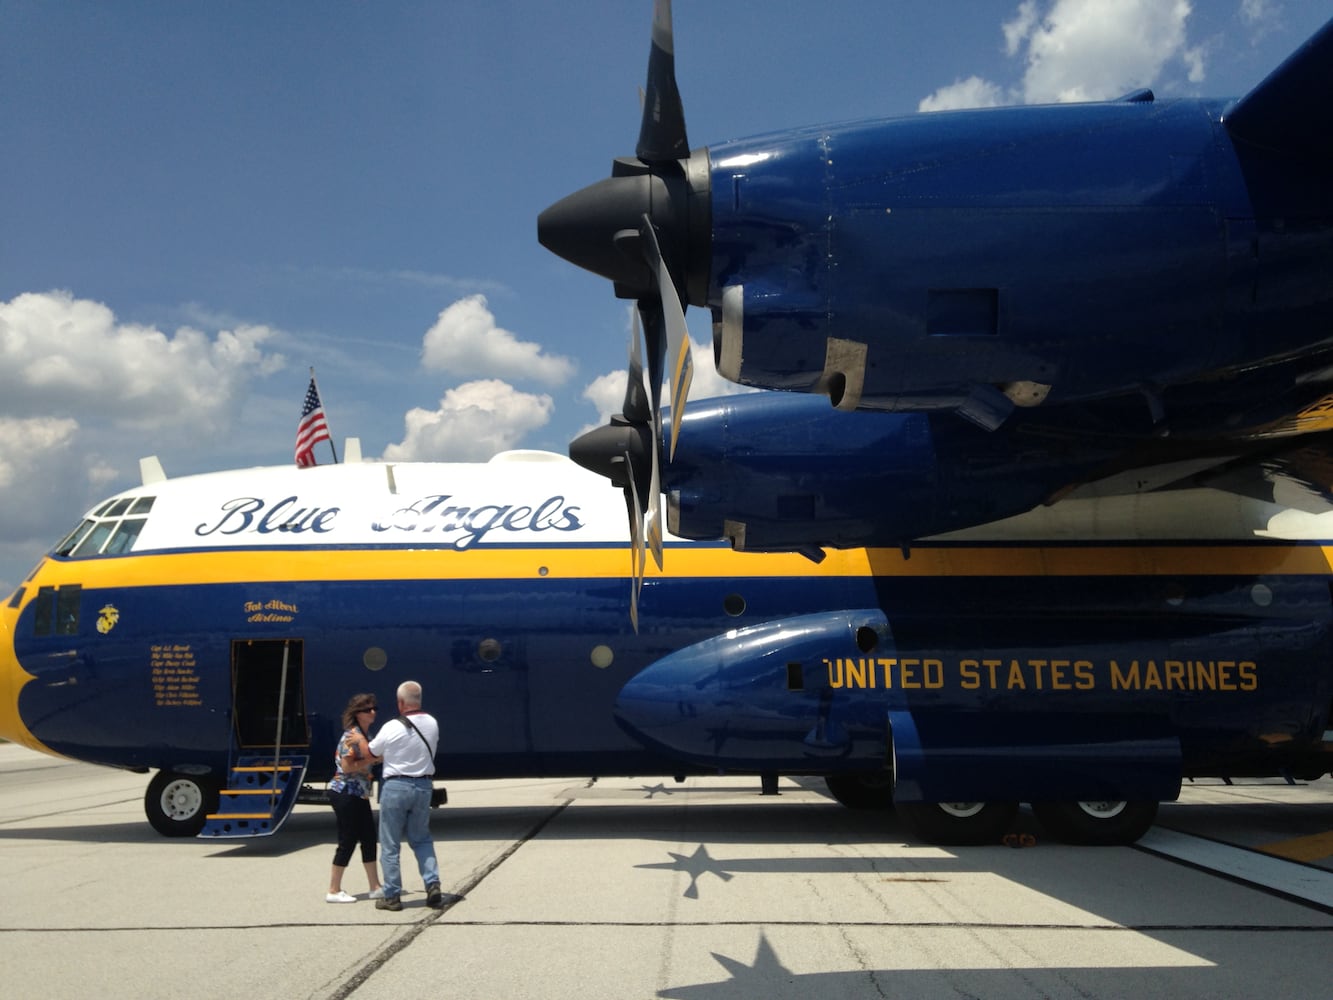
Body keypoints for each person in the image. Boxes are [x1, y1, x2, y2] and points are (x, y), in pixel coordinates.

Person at [368, 680, 443, 911]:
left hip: (396, 786)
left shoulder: (391, 726)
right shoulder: (432, 723)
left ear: (400, 703)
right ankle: (432, 883)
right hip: (423, 786)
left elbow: (372, 751)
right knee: (421, 838)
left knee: (390, 843)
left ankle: (392, 895)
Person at [325, 693, 385, 903]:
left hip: (359, 793)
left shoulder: (366, 735)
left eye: (374, 708)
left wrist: (374, 758)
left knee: (369, 838)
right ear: (357, 714)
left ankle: (375, 886)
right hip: (344, 792)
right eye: (368, 709)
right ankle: (333, 890)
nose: (373, 712)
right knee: (348, 839)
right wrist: (373, 759)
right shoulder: (352, 736)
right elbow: (347, 766)